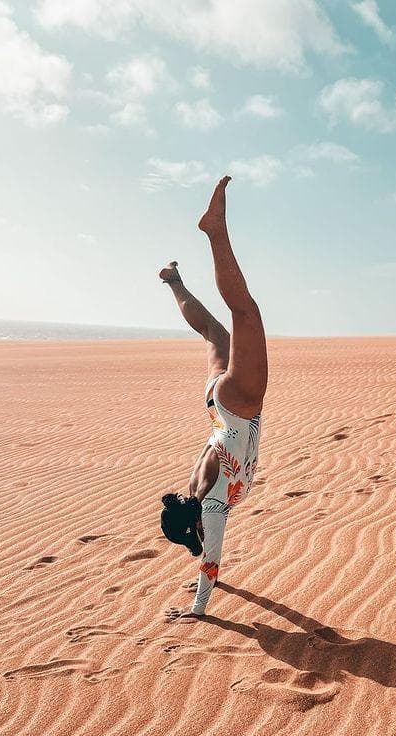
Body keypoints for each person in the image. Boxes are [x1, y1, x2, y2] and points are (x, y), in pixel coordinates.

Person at [160, 176, 268, 620]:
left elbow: (212, 562)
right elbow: (204, 549)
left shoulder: (211, 506)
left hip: (239, 405)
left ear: (198, 526)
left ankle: (215, 231)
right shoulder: (191, 492)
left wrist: (198, 608)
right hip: (216, 407)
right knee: (213, 332)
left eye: (197, 536)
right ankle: (174, 282)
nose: (203, 540)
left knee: (245, 313)